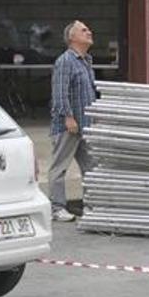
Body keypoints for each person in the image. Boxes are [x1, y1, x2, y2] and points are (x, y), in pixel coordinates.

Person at [47, 20, 97, 222]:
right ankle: (56, 208)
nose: (89, 32)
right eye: (84, 30)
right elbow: (60, 93)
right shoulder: (65, 61)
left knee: (91, 168)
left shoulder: (86, 61)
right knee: (59, 168)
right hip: (69, 126)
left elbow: (90, 92)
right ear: (72, 37)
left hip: (85, 125)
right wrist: (68, 117)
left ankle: (92, 205)